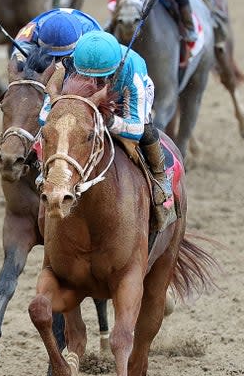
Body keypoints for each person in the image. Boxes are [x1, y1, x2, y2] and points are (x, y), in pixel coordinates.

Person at [51, 30, 176, 232]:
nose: (95, 84)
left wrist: (107, 120)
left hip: (126, 98)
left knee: (147, 132)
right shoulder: (68, 66)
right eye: (88, 77)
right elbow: (45, 116)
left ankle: (160, 179)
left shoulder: (132, 72)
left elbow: (135, 128)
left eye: (101, 78)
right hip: (86, 101)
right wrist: (58, 106)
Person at [10, 7, 102, 71]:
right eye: (53, 56)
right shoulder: (36, 27)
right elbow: (20, 47)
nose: (56, 60)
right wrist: (19, 60)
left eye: (61, 56)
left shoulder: (94, 36)